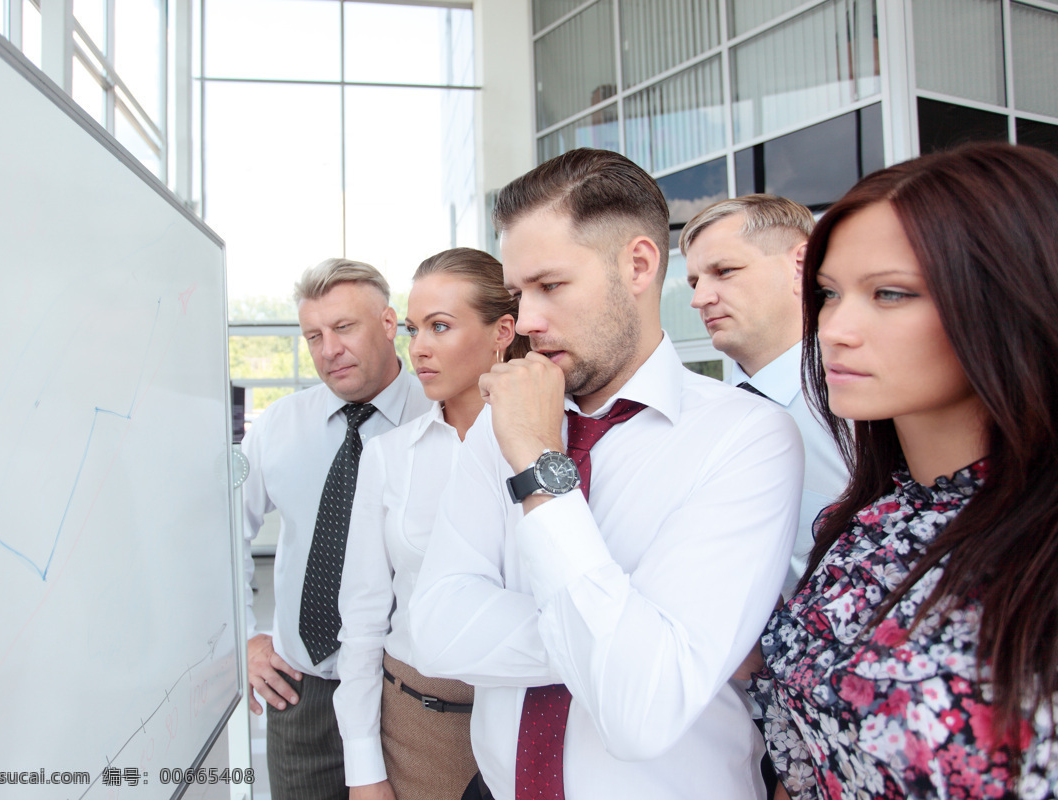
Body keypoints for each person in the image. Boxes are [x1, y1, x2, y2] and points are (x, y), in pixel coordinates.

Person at [408, 148, 805, 800]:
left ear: (639, 265)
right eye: (518, 292)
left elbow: (641, 712)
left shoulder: (747, 438)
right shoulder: (499, 420)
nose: (527, 322)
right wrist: (621, 643)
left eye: (552, 286)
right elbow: (436, 631)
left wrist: (542, 464)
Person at [747, 142, 1058, 799]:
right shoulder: (863, 528)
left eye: (890, 294)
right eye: (829, 294)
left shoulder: (1037, 544)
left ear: (1010, 298)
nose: (833, 328)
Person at [333, 247, 527, 800]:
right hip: (416, 728)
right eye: (415, 328)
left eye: (440, 327)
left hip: (533, 720)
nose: (418, 348)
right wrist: (363, 768)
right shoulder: (389, 456)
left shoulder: (553, 448)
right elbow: (364, 619)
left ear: (503, 331)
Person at [240, 258, 432, 800]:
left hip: (411, 693)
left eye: (344, 328)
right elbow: (222, 531)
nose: (328, 349)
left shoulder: (439, 414)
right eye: (313, 336)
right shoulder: (280, 425)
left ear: (390, 324)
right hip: (302, 697)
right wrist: (243, 639)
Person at [681, 194, 849, 597]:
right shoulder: (699, 416)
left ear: (800, 266)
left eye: (724, 271)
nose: (699, 298)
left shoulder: (867, 407)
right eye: (694, 281)